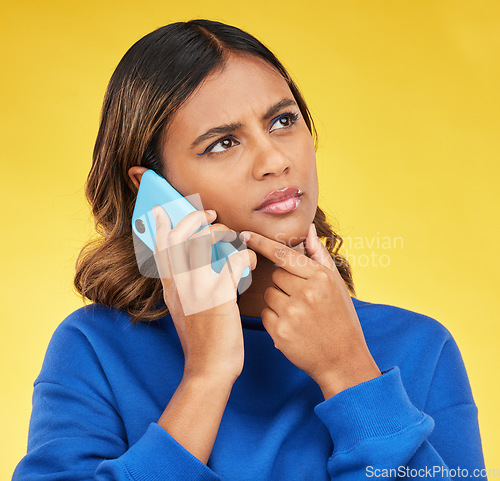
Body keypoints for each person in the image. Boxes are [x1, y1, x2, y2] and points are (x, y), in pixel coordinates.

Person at [13, 19, 486, 481]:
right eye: (222, 143)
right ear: (153, 189)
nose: (276, 161)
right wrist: (206, 375)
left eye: (283, 121)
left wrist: (350, 374)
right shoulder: (94, 349)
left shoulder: (421, 348)